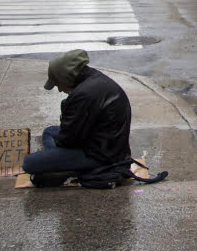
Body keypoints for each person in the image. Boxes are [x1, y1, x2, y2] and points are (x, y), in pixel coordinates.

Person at [22, 49, 132, 177]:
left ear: (64, 78)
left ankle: (71, 167)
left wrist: (66, 116)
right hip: (108, 144)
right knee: (49, 131)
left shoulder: (83, 95)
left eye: (57, 84)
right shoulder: (94, 79)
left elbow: (68, 140)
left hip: (101, 156)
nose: (59, 90)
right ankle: (64, 164)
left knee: (28, 163)